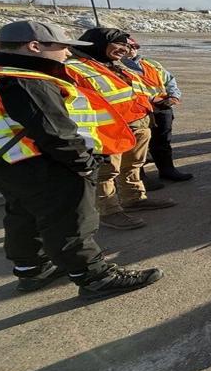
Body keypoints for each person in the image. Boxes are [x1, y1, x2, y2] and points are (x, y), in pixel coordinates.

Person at [0, 20, 163, 299]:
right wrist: (84, 164)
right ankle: (95, 277)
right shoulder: (26, 81)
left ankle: (32, 268)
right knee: (71, 222)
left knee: (24, 216)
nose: (67, 54)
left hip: (6, 162)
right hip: (45, 163)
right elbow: (54, 131)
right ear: (34, 46)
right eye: (62, 47)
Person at [67, 27, 176, 230]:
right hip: (107, 130)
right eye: (119, 44)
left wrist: (158, 99)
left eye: (126, 45)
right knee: (106, 172)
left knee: (133, 165)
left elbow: (137, 90)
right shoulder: (74, 68)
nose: (124, 49)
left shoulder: (115, 66)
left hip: (138, 123)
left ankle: (133, 198)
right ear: (99, 44)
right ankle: (109, 211)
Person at [121, 37, 192, 183]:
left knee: (163, 141)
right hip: (137, 111)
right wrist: (150, 100)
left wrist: (173, 96)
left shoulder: (151, 64)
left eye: (135, 46)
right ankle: (138, 178)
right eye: (128, 46)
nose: (133, 49)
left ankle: (167, 170)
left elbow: (169, 80)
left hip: (161, 108)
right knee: (137, 145)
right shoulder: (117, 68)